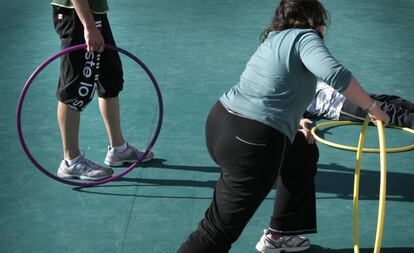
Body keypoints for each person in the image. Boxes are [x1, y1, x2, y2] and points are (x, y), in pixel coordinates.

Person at [177, 0, 390, 252]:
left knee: (301, 149)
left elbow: (273, 85)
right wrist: (373, 108)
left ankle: (282, 234)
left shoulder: (275, 39)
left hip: (221, 120)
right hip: (251, 139)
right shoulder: (305, 37)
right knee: (215, 232)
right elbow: (335, 74)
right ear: (313, 20)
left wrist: (296, 120)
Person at [52, 0, 154, 181]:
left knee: (110, 79)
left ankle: (119, 149)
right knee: (75, 87)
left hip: (94, 12)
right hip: (77, 15)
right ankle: (71, 161)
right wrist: (89, 27)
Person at [305, 81, 414, 129]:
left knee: (389, 105)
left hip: (340, 98)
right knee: (389, 107)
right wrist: (300, 121)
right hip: (341, 99)